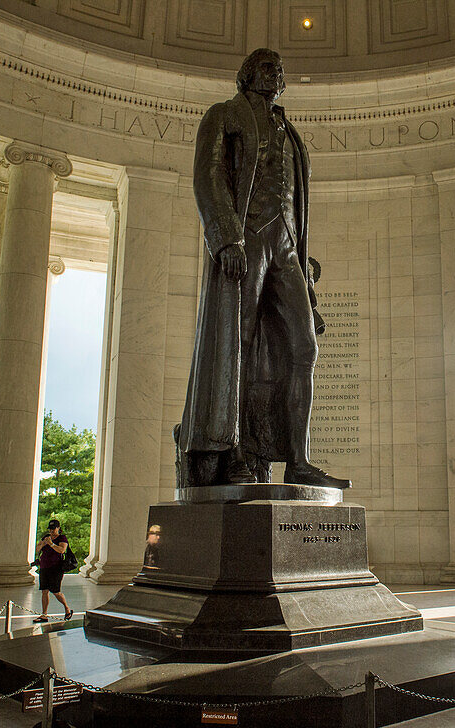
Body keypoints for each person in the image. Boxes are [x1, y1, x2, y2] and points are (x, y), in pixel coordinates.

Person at [176, 47, 349, 491]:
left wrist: (303, 259)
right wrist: (226, 237)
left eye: (281, 70)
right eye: (269, 67)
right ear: (247, 75)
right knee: (239, 342)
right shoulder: (224, 116)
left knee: (304, 348)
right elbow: (207, 176)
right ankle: (234, 451)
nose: (277, 75)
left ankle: (298, 460)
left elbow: (295, 200)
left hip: (287, 248)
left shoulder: (291, 134)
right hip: (246, 239)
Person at [34, 519, 73, 622]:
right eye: (50, 529)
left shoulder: (62, 538)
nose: (52, 531)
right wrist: (43, 544)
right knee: (44, 591)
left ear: (58, 528)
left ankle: (67, 608)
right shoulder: (46, 537)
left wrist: (51, 544)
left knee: (56, 592)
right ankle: (44, 614)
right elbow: (37, 549)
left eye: (54, 528)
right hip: (44, 567)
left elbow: (62, 550)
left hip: (56, 568)